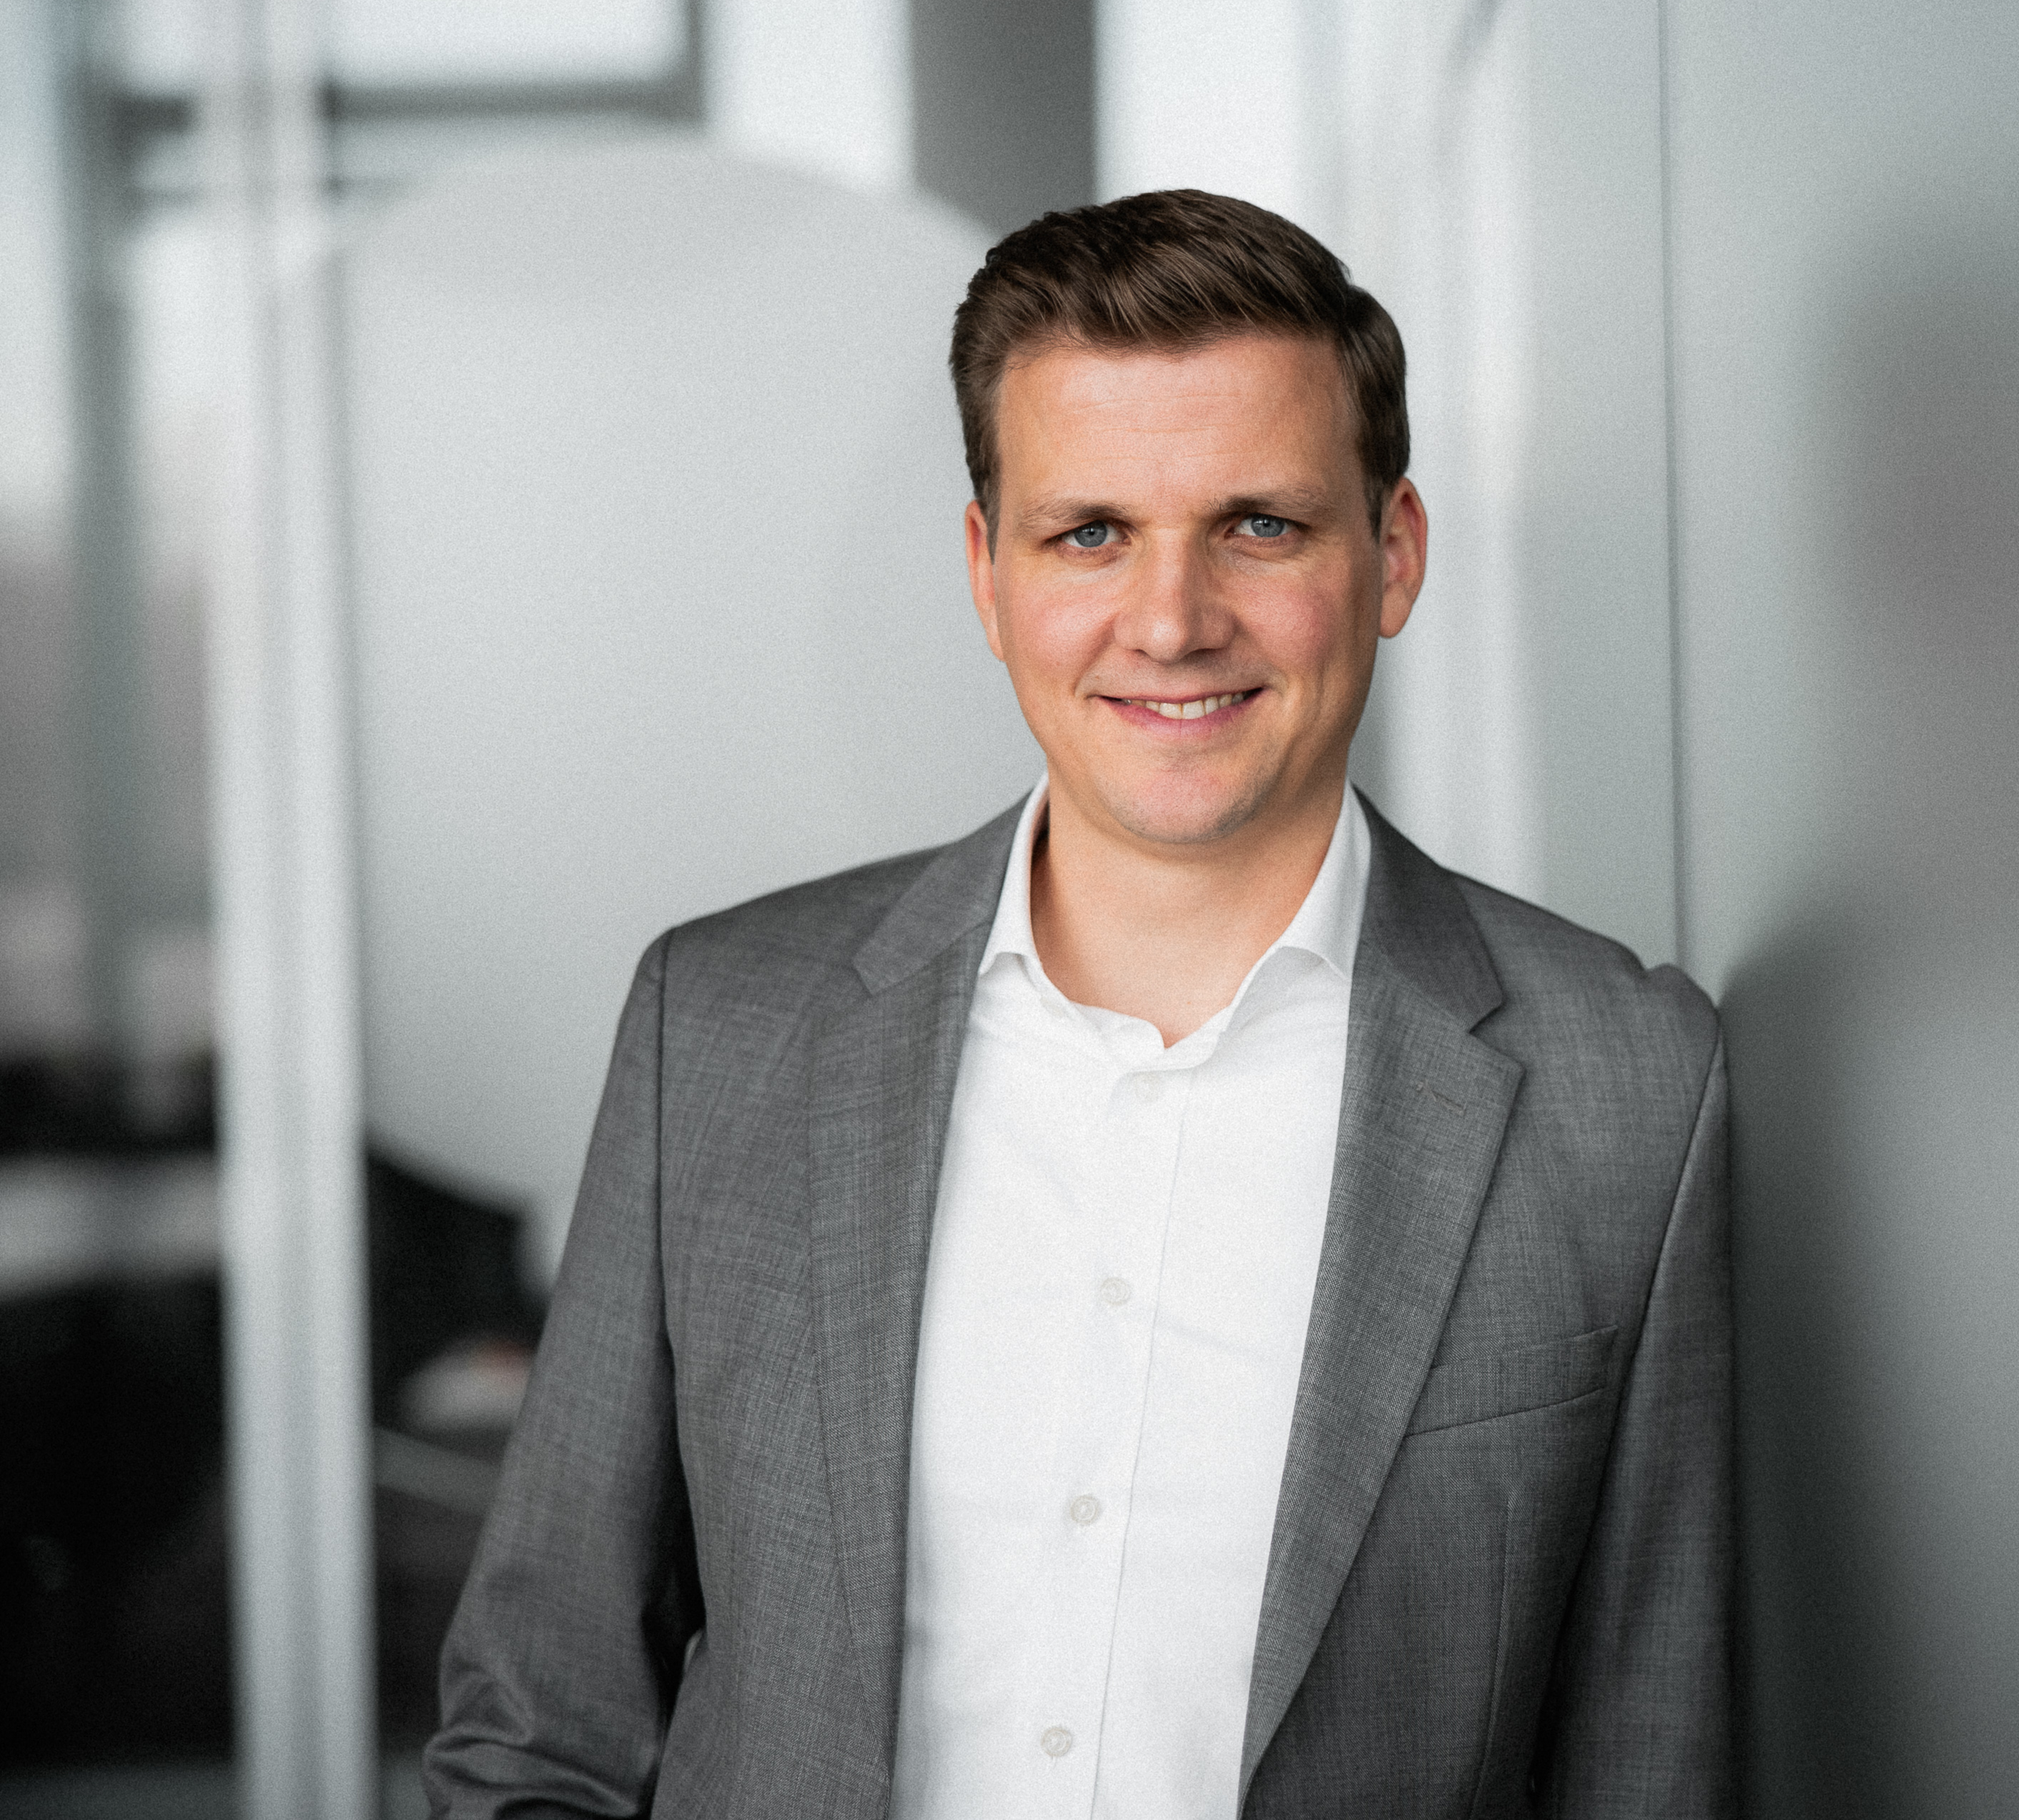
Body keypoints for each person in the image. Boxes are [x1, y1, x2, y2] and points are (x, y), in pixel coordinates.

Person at [423, 189, 1732, 1820]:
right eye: (1090, 533)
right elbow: (541, 1724)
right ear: (988, 573)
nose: (1171, 621)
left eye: (1259, 525)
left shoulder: (1625, 1083)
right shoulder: (724, 1029)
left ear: (1392, 553)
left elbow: (1650, 1759)